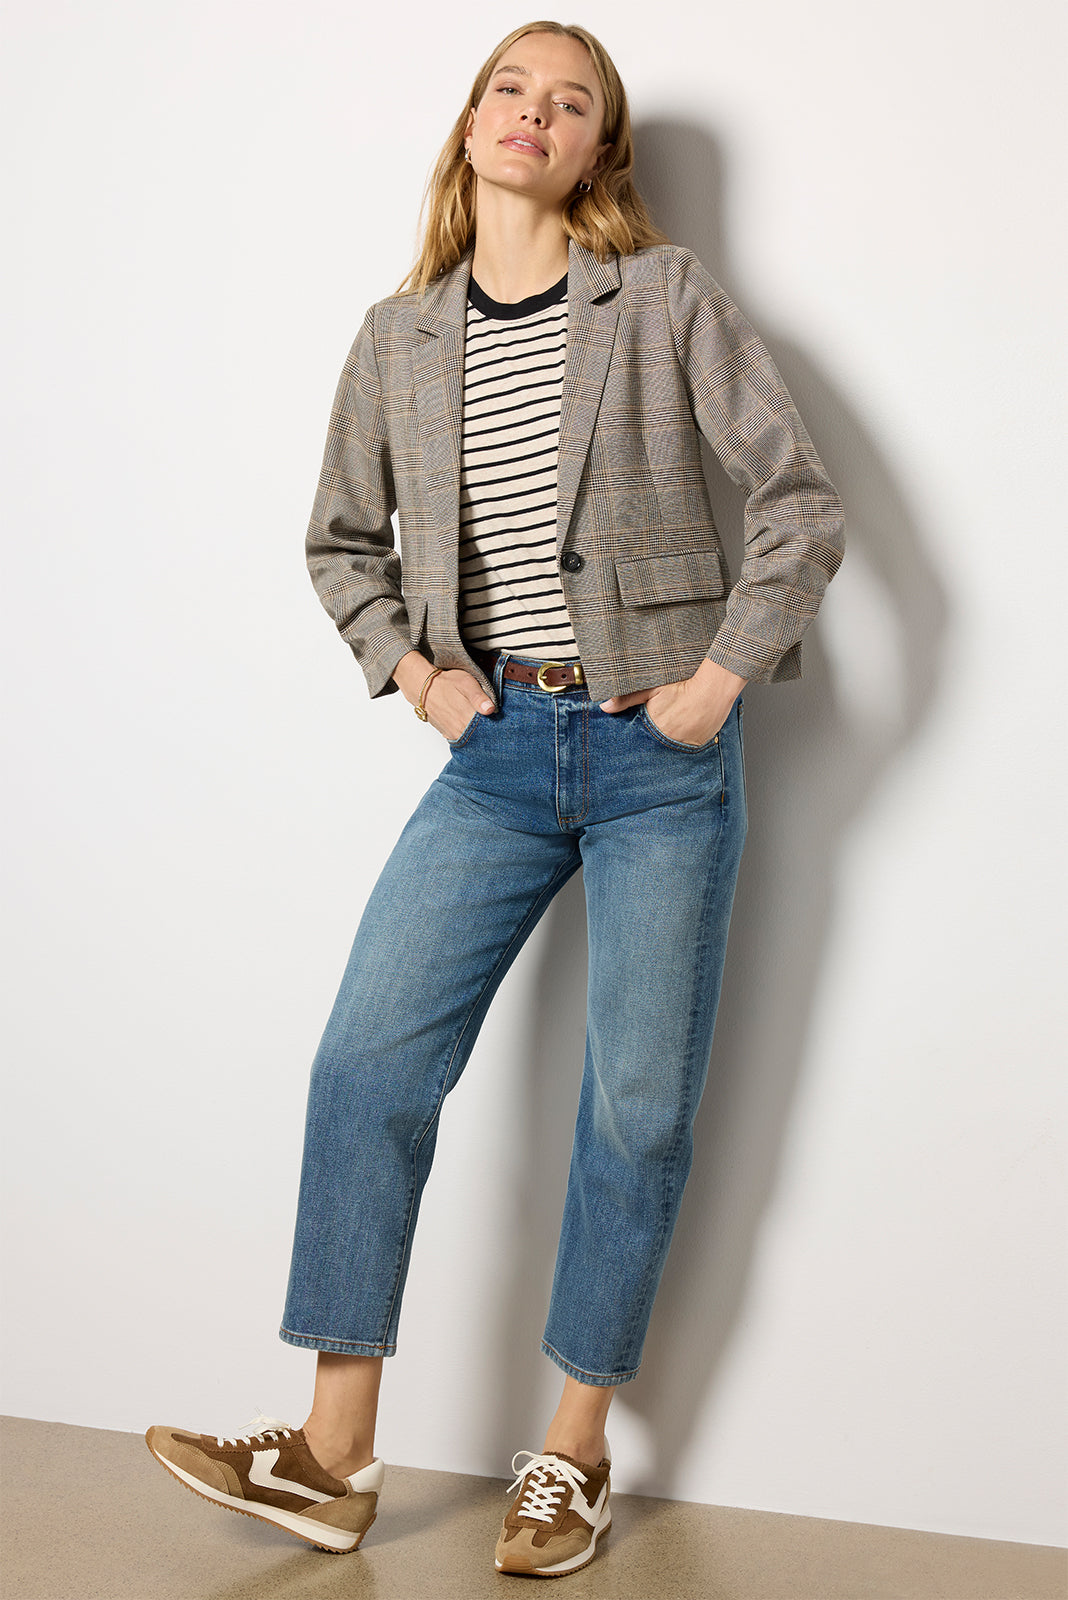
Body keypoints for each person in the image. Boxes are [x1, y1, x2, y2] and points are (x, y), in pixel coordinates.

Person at [146, 20, 844, 1580]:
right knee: (367, 1063)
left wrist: (720, 679)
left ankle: (571, 1454)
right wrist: (417, 674)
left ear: (599, 150)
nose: (535, 112)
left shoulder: (661, 296)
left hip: (661, 759)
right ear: (470, 125)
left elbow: (799, 501)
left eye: (570, 100)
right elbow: (340, 542)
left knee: (636, 1109)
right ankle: (333, 1455)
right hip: (499, 756)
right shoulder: (398, 336)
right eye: (510, 89)